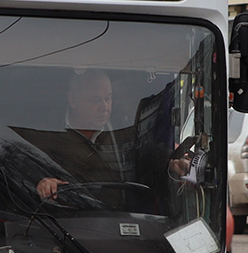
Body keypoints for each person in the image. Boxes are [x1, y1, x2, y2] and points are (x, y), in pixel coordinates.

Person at [21, 69, 194, 202]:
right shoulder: (47, 135)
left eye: (108, 98)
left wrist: (172, 163)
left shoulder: (124, 127)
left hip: (126, 222)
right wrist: (42, 182)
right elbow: (27, 167)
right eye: (95, 100)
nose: (104, 107)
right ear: (72, 100)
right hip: (70, 227)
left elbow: (147, 155)